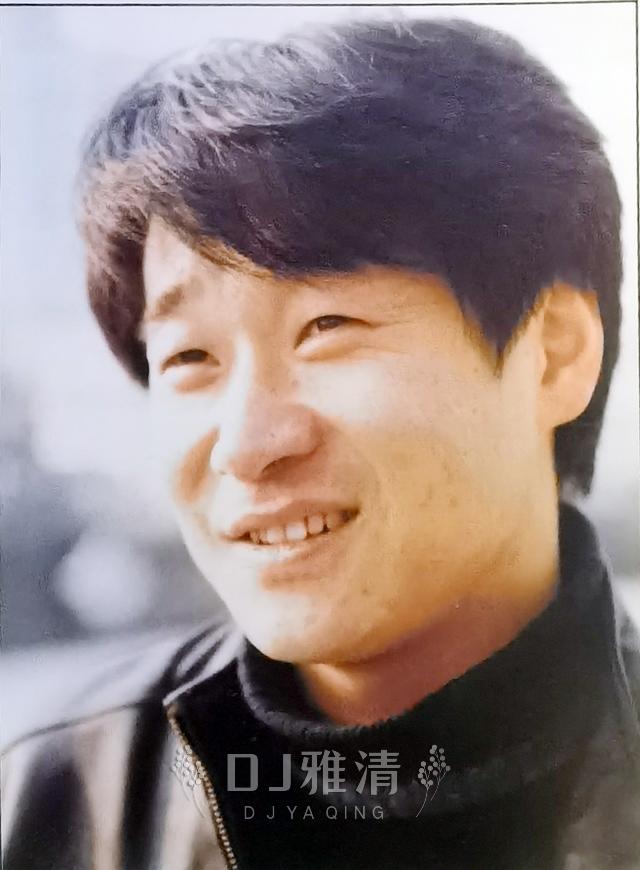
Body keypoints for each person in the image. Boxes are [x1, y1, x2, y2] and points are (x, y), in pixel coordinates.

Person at [3, 16, 639, 870]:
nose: (246, 444)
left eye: (327, 326)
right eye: (190, 358)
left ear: (554, 354)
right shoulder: (56, 803)